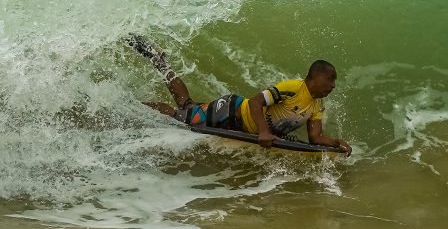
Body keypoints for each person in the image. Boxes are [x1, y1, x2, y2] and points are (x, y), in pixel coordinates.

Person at [128, 35, 352, 156]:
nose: (333, 85)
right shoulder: (294, 87)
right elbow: (256, 101)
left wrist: (336, 143)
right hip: (231, 111)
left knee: (188, 105)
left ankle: (161, 62)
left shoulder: (317, 106)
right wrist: (264, 132)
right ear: (313, 77)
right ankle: (133, 103)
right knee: (182, 115)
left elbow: (316, 138)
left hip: (239, 125)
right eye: (329, 79)